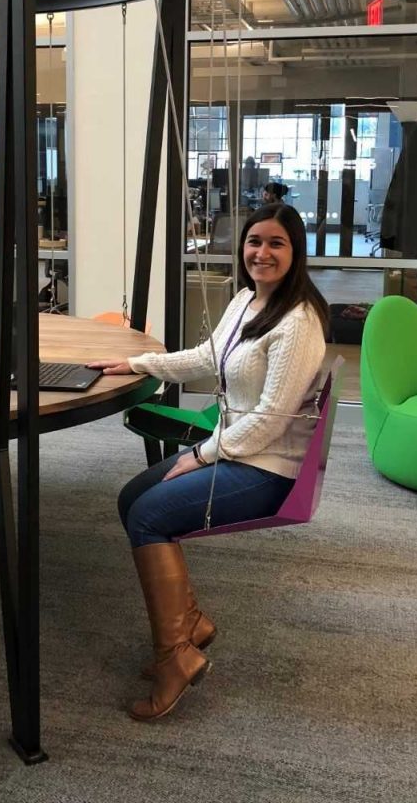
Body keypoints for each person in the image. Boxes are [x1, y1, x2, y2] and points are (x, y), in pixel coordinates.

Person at [89, 203, 329, 721]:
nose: (261, 253)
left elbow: (272, 417)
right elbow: (205, 356)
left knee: (150, 517)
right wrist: (137, 363)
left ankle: (175, 656)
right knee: (131, 497)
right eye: (254, 242)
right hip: (236, 446)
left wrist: (200, 455)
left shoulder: (299, 322)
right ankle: (189, 623)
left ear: (296, 252)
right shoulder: (246, 299)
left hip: (267, 467)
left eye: (276, 243)